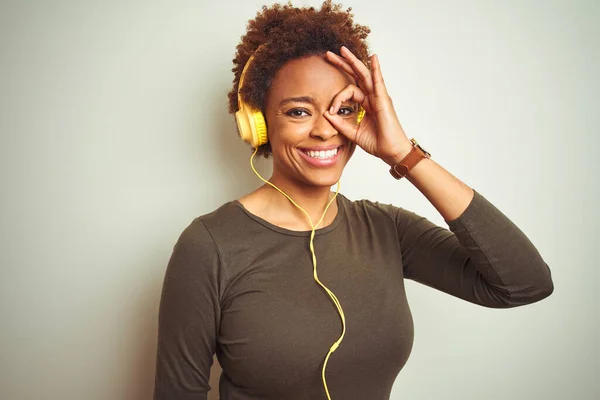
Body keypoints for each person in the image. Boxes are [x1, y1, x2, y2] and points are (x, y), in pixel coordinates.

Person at [153, 1, 554, 399]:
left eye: (343, 109)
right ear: (257, 124)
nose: (326, 131)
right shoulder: (210, 245)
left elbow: (523, 284)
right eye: (298, 112)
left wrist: (403, 154)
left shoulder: (387, 230)